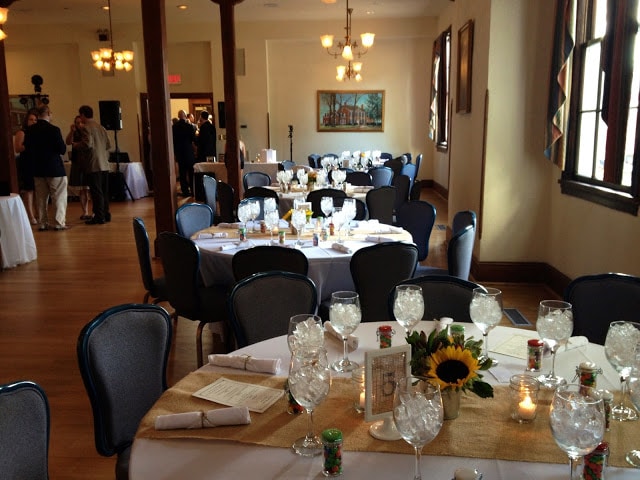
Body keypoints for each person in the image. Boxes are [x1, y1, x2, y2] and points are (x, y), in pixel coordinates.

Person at [23, 105, 68, 231]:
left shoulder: (31, 131)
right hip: (54, 168)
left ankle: (43, 223)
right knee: (58, 196)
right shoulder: (54, 130)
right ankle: (59, 222)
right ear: (48, 113)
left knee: (41, 198)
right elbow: (62, 149)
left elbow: (27, 147)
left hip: (37, 168)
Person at [77, 105, 111, 225]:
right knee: (104, 191)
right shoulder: (101, 127)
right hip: (104, 164)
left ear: (82, 115)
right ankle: (106, 214)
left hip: (93, 164)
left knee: (96, 192)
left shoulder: (86, 128)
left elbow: (87, 144)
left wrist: (77, 145)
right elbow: (108, 145)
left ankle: (99, 216)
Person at [13, 109, 39, 224]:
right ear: (26, 120)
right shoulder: (22, 132)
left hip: (36, 162)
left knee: (38, 190)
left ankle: (39, 214)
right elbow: (17, 148)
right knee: (28, 190)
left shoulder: (37, 132)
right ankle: (30, 215)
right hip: (26, 163)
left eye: (35, 120)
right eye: (31, 119)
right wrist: (29, 145)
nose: (33, 122)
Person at [65, 115, 92, 220]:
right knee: (82, 189)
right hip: (77, 162)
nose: (79, 124)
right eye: (77, 122)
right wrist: (71, 131)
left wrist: (78, 144)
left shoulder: (88, 132)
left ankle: (94, 211)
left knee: (90, 189)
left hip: (88, 162)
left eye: (81, 122)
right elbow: (68, 142)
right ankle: (85, 212)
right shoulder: (75, 133)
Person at [172, 109, 196, 197]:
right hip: (189, 152)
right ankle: (193, 191)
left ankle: (185, 191)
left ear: (178, 116)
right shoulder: (189, 126)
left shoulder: (174, 127)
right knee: (191, 172)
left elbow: (173, 141)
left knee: (182, 173)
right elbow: (193, 139)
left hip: (179, 152)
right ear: (185, 116)